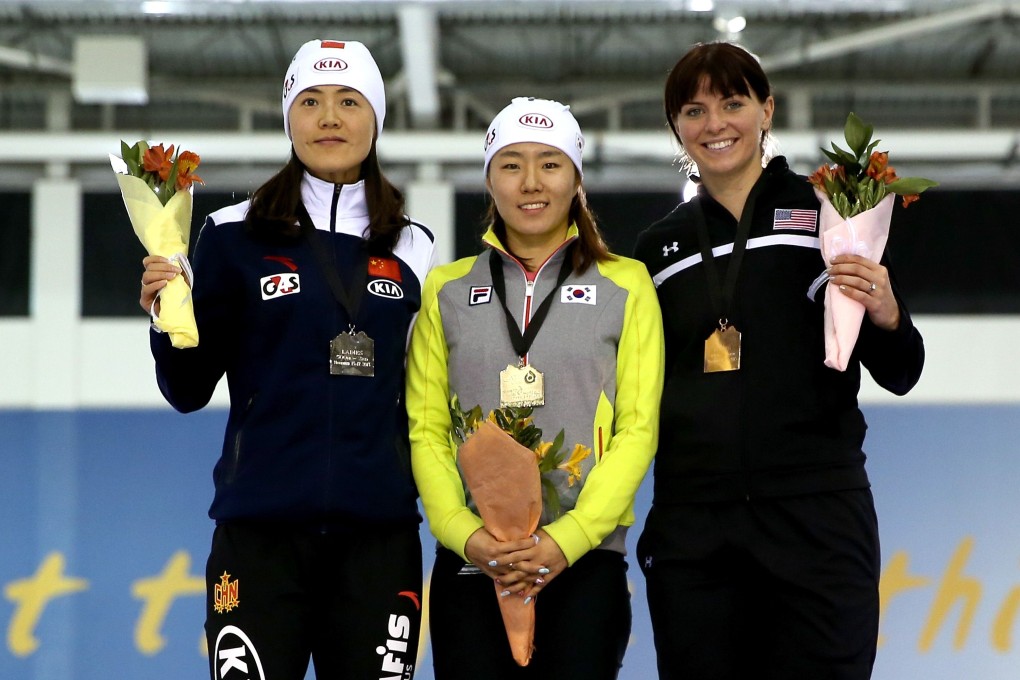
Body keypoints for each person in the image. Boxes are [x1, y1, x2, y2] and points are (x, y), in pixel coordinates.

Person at [138, 39, 436, 680]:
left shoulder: (415, 246)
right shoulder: (231, 233)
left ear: (375, 119)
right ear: (289, 118)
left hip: (377, 539)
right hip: (259, 534)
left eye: (349, 101)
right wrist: (165, 314)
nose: (330, 117)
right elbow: (186, 387)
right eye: (311, 101)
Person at [632, 41, 925, 680]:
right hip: (695, 526)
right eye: (694, 110)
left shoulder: (835, 213)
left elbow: (902, 370)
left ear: (767, 109)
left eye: (733, 103)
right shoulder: (655, 250)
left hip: (816, 515)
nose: (715, 124)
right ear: (676, 128)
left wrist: (888, 313)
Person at [406, 97, 664, 679]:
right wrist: (466, 536)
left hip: (583, 562)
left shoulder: (626, 283)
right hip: (473, 565)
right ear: (489, 179)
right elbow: (427, 431)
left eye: (549, 163)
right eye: (511, 163)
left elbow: (637, 429)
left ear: (576, 178)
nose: (530, 182)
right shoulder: (445, 290)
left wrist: (566, 539)